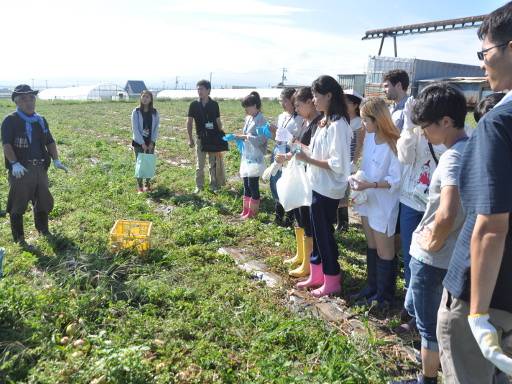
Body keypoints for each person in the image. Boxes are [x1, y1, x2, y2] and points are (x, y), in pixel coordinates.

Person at [438, 3, 512, 383]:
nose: (482, 64)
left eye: (484, 53)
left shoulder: (499, 122)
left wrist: (477, 313)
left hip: (483, 291)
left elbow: (491, 226)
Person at [392, 83, 468, 384]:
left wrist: (432, 241)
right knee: (424, 311)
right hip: (448, 254)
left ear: (446, 122)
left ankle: (427, 379)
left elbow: (448, 212)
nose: (424, 133)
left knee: (427, 325)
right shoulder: (470, 145)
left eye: (426, 126)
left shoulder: (452, 157)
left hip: (433, 258)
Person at [293, 75, 352, 297]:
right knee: (317, 234)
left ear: (329, 95)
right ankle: (317, 274)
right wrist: (303, 150)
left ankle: (332, 278)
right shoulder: (325, 122)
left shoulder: (338, 125)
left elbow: (337, 165)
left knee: (324, 235)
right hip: (317, 185)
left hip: (328, 190)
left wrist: (307, 160)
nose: (314, 100)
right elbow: (318, 152)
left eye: (317, 95)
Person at [395, 96, 444, 333]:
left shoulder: (450, 132)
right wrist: (408, 125)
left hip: (433, 206)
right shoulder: (415, 131)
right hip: (410, 201)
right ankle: (410, 305)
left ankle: (421, 314)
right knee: (410, 257)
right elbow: (404, 157)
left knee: (427, 259)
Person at [1, 84, 68, 246]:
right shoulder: (11, 120)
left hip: (40, 168)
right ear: (17, 102)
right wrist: (14, 163)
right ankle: (19, 239)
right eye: (24, 99)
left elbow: (49, 141)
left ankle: (43, 230)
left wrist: (56, 160)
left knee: (43, 199)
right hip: (21, 170)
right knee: (18, 203)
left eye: (31, 97)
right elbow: (7, 144)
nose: (29, 101)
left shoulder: (40, 120)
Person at [350, 97, 401, 309]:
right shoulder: (370, 138)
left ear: (377, 120)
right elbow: (366, 166)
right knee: (371, 246)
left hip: (384, 203)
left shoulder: (393, 143)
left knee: (385, 251)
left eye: (365, 120)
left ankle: (385, 296)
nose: (363, 124)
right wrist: (358, 179)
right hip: (367, 199)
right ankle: (372, 287)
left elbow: (395, 180)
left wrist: (370, 184)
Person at [275, 86, 322, 278]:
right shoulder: (306, 122)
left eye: (299, 105)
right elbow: (299, 148)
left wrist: (294, 146)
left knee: (307, 219)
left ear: (311, 102)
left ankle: (308, 263)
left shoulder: (318, 124)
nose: (297, 109)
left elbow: (311, 150)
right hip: (300, 173)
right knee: (299, 216)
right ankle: (300, 255)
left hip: (309, 177)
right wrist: (287, 155)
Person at [269, 88, 303, 227]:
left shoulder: (300, 118)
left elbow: (299, 140)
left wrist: (288, 138)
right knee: (276, 182)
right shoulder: (282, 116)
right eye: (280, 101)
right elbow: (278, 136)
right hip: (279, 151)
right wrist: (273, 132)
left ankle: (289, 218)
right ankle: (278, 216)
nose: (282, 104)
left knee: (289, 184)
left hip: (291, 154)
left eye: (285, 101)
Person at [187, 79, 226, 193]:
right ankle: (199, 186)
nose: (199, 91)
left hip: (213, 138)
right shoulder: (194, 105)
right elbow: (189, 122)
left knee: (213, 163)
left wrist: (221, 136)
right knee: (200, 164)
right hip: (200, 138)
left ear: (208, 90)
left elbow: (218, 121)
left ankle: (213, 185)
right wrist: (190, 138)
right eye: (198, 89)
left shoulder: (214, 105)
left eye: (202, 89)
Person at [335, 89, 364, 232]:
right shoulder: (342, 119)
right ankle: (339, 220)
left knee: (344, 191)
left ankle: (343, 223)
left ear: (355, 105)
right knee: (338, 189)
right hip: (339, 160)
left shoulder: (359, 122)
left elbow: (359, 144)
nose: (344, 105)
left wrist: (354, 160)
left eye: (347, 102)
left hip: (349, 162)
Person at [236, 91, 268, 219]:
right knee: (245, 183)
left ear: (255, 105)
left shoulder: (262, 120)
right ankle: (246, 210)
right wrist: (239, 137)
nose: (246, 110)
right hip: (247, 155)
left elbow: (262, 139)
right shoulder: (248, 118)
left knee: (252, 184)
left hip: (256, 156)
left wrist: (246, 137)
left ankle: (253, 213)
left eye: (247, 107)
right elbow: (246, 134)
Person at [131, 90, 159, 193]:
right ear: (140, 98)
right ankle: (139, 186)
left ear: (151, 99)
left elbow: (156, 128)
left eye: (147, 97)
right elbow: (135, 128)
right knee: (139, 163)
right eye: (143, 96)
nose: (145, 98)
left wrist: (151, 142)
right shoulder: (136, 112)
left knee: (148, 163)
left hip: (150, 142)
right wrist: (142, 143)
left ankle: (147, 184)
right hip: (138, 142)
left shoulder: (155, 112)